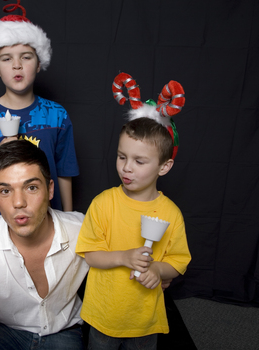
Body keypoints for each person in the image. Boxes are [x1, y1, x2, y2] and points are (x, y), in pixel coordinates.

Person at [75, 73, 191, 350]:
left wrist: (158, 270)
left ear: (164, 167)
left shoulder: (171, 213)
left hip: (144, 318)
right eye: (121, 156)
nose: (126, 167)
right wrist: (125, 257)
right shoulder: (103, 203)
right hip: (105, 313)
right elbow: (90, 255)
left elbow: (178, 260)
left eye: (139, 161)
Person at [0, 140, 89, 350]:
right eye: (5, 191)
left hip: (63, 331)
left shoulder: (82, 229)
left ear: (49, 190)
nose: (18, 202)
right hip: (6, 330)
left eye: (31, 187)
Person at [0, 0, 79, 221]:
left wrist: (69, 219)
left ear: (38, 63)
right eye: (7, 59)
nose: (17, 65)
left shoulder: (57, 115)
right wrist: (1, 148)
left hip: (46, 221)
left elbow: (64, 172)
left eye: (26, 57)